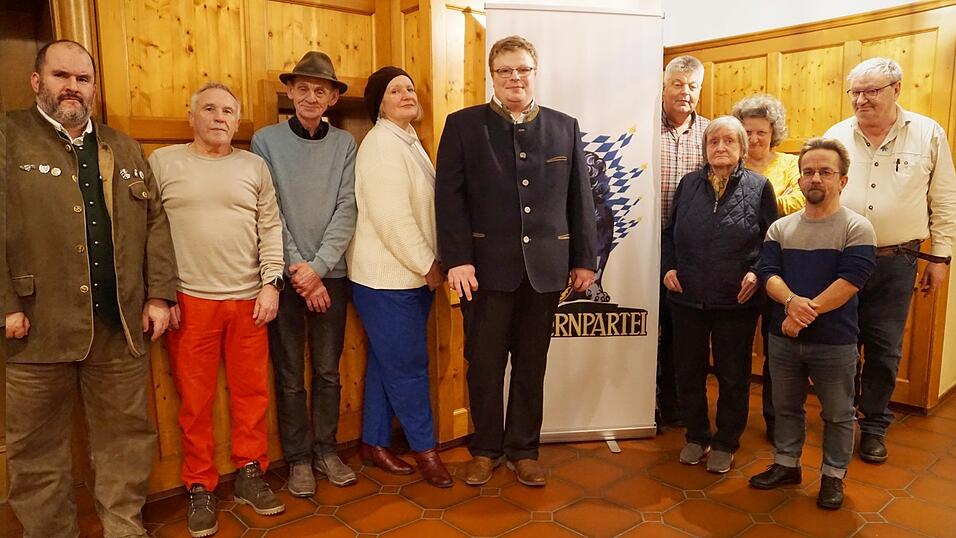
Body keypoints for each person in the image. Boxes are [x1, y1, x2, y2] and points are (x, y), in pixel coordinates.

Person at [4, 39, 177, 538]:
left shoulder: (123, 147)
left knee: (127, 438)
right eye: (61, 76)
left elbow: (156, 225)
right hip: (35, 328)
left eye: (82, 79)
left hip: (118, 326)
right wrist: (5, 305)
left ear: (94, 87)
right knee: (35, 450)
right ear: (38, 81)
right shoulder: (8, 137)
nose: (72, 87)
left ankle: (124, 526)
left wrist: (159, 294)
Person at [436, 35, 598, 487]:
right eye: (505, 70)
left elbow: (580, 200)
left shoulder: (565, 127)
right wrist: (458, 260)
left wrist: (585, 258)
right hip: (484, 272)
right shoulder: (463, 126)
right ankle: (486, 448)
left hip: (544, 272)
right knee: (484, 364)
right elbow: (449, 200)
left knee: (532, 364)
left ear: (534, 72)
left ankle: (524, 449)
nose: (514, 78)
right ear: (493, 75)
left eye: (522, 69)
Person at [149, 82, 286, 537]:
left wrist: (271, 284)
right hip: (190, 302)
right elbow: (149, 232)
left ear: (237, 118)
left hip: (249, 300)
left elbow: (270, 225)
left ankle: (250, 472)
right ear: (192, 116)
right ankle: (200, 486)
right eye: (209, 108)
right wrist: (161, 295)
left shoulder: (254, 166)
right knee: (195, 402)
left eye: (228, 110)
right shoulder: (163, 163)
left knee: (252, 394)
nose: (219, 117)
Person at [824, 58, 956, 463]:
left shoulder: (928, 133)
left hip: (897, 261)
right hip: (841, 258)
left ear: (896, 89)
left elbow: (945, 200)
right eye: (855, 93)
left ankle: (874, 425)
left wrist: (939, 257)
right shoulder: (836, 135)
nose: (862, 100)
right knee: (841, 345)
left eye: (872, 91)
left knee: (883, 348)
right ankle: (840, 420)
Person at [251, 51, 358, 495]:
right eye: (303, 88)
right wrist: (300, 272)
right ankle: (297, 459)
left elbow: (347, 207)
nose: (311, 96)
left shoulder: (345, 144)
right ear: (290, 92)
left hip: (330, 275)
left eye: (320, 89)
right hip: (286, 275)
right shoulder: (265, 141)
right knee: (291, 374)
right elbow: (270, 210)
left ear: (332, 98)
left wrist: (317, 270)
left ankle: (326, 450)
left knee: (329, 372)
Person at [751, 137, 876, 510]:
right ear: (799, 179)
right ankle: (787, 464)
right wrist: (790, 302)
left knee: (837, 414)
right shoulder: (781, 228)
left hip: (835, 340)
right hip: (783, 336)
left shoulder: (857, 228)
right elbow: (767, 272)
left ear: (843, 180)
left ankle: (833, 476)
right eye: (808, 172)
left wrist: (802, 314)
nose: (815, 179)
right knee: (785, 407)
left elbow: (851, 280)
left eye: (825, 172)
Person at [346, 66, 452, 488]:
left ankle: (373, 443)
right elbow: (392, 219)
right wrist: (429, 265)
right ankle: (426, 450)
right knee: (408, 367)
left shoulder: (408, 142)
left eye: (410, 87)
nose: (407, 94)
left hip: (404, 279)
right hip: (388, 282)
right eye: (395, 90)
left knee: (387, 363)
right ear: (379, 103)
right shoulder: (381, 146)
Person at [662, 115, 778, 474]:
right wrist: (668, 267)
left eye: (729, 141)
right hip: (687, 298)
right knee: (688, 371)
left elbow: (770, 242)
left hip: (735, 302)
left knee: (732, 374)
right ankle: (696, 435)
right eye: (714, 142)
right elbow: (670, 233)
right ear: (705, 148)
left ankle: (726, 440)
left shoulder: (759, 187)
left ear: (743, 148)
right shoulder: (687, 184)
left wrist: (755, 273)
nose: (721, 147)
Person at [731, 93, 806, 440]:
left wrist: (756, 197)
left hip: (783, 269)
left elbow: (799, 201)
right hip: (740, 268)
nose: (754, 138)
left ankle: (777, 420)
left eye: (761, 131)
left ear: (774, 132)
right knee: (737, 346)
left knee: (778, 349)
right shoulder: (730, 166)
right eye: (747, 131)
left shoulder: (792, 165)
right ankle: (733, 418)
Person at [658, 55, 710, 428]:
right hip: (640, 244)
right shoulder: (642, 126)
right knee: (645, 328)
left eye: (692, 86)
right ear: (664, 86)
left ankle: (674, 404)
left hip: (689, 250)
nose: (685, 92)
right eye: (678, 84)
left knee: (680, 332)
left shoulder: (713, 134)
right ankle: (640, 402)